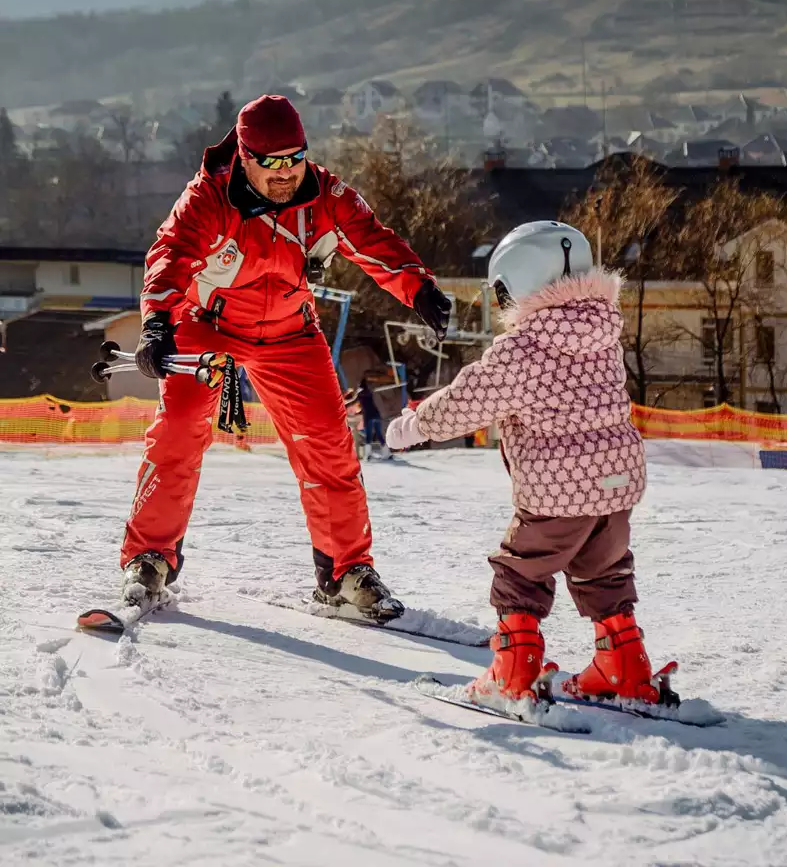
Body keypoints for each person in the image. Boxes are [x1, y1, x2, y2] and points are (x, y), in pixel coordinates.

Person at [122, 94, 451, 618]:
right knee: (180, 428)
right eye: (272, 162)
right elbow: (172, 253)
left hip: (289, 332)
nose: (286, 173)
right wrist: (157, 322)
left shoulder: (325, 193)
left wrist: (420, 289)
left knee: (329, 443)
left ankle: (346, 571)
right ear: (245, 157)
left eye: (295, 157)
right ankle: (149, 556)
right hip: (209, 325)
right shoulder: (209, 196)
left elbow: (372, 241)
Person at [386, 220, 662, 705]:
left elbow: (470, 399)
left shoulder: (525, 347)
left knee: (521, 571)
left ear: (520, 282)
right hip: (617, 482)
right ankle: (623, 664)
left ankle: (513, 672)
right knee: (605, 569)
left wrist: (415, 425)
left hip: (560, 487)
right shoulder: (603, 333)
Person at [357, 375, 391, 461]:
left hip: (369, 416)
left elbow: (358, 401)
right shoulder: (370, 393)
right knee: (379, 435)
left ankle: (368, 455)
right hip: (376, 414)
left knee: (368, 436)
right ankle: (387, 452)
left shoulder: (360, 394)